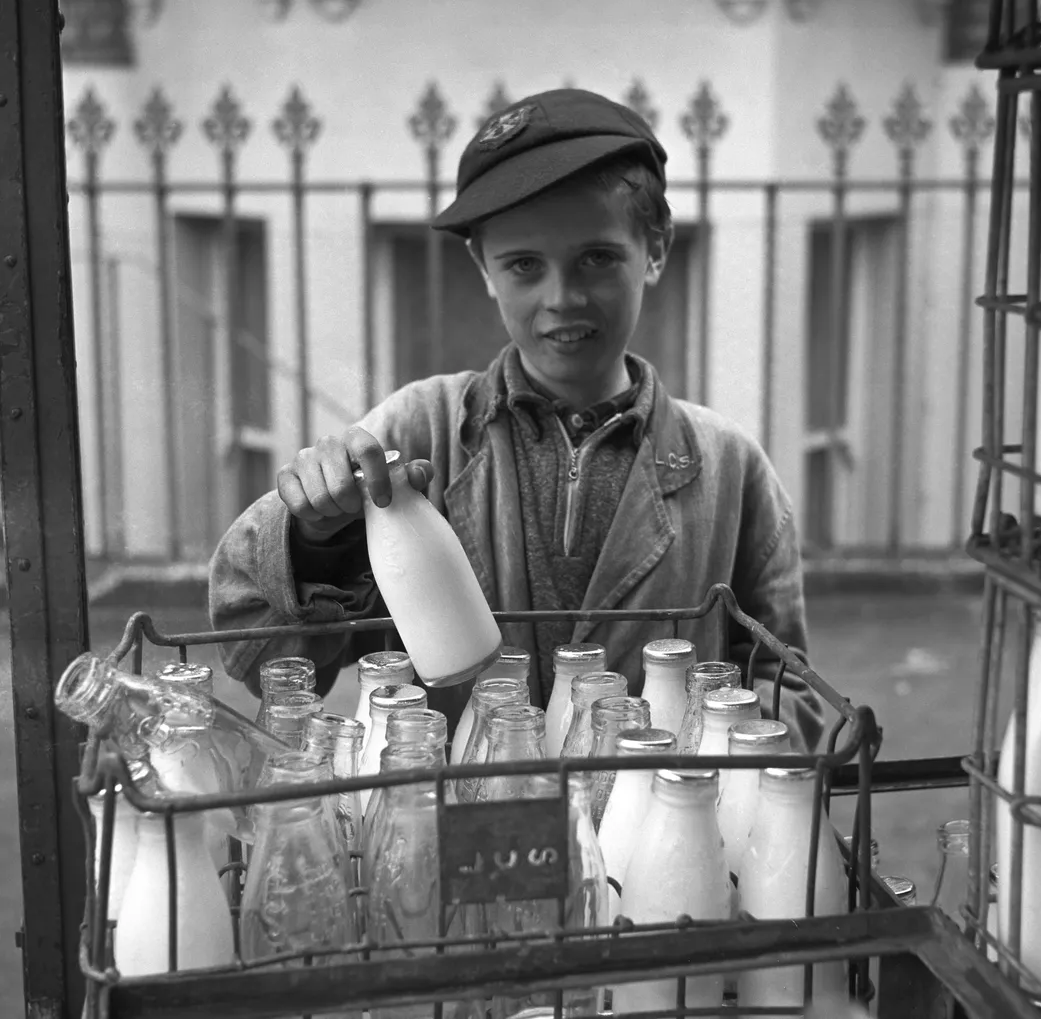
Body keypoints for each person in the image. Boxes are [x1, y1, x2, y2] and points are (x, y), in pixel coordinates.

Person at [209, 87, 823, 748]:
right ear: (483, 267)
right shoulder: (419, 433)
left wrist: (722, 736)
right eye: (525, 265)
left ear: (655, 248)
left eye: (598, 257)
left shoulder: (730, 470)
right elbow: (255, 656)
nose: (563, 297)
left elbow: (792, 698)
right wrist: (312, 538)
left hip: (655, 839)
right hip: (447, 836)